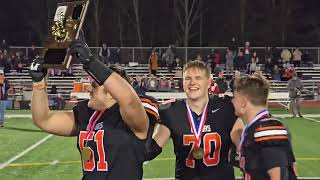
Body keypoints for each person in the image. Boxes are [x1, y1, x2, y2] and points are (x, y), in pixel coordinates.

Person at [29, 36, 159, 179]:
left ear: (112, 93)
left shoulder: (131, 115)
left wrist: (90, 61)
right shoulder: (87, 113)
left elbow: (128, 99)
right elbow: (43, 120)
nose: (89, 89)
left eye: (95, 85)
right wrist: (39, 84)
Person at [145, 60, 244, 180]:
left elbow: (242, 141)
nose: (192, 82)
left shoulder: (226, 107)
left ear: (209, 83)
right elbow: (151, 149)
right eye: (188, 78)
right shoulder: (172, 111)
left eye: (198, 78)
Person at [232, 73, 297, 180]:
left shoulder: (268, 128)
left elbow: (279, 176)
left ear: (243, 101)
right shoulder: (257, 126)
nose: (233, 101)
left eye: (235, 98)